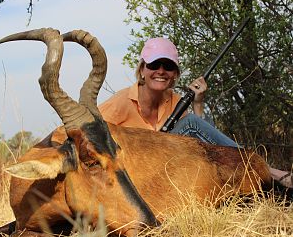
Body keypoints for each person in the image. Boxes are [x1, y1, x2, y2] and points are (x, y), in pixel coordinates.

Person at [98, 37, 292, 187]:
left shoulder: (175, 101)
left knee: (194, 131)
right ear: (142, 70)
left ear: (175, 74)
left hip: (165, 174)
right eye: (154, 65)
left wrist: (198, 103)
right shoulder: (121, 101)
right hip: (132, 173)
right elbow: (91, 133)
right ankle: (271, 173)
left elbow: (206, 144)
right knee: (190, 123)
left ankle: (259, 177)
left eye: (169, 66)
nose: (161, 71)